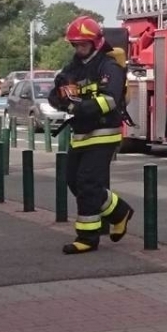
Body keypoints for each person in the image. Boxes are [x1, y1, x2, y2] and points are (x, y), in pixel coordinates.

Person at [48, 16, 133, 254]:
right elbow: (55, 94)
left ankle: (87, 237)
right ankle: (120, 212)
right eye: (75, 44)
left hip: (104, 132)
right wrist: (62, 100)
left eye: (83, 44)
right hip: (81, 133)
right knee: (74, 181)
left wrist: (77, 106)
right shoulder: (72, 68)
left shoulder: (109, 66)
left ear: (96, 42)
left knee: (88, 182)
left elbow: (109, 100)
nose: (78, 48)